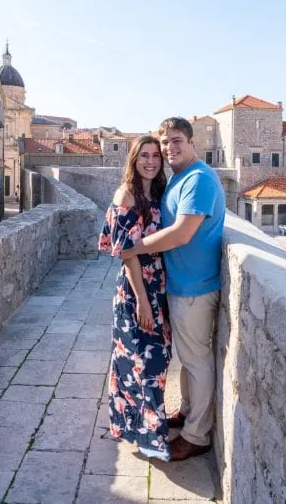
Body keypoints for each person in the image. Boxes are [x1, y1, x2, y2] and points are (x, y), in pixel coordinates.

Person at [120, 117, 225, 462]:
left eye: (176, 141)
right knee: (188, 359)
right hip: (179, 285)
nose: (169, 148)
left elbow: (181, 234)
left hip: (194, 288)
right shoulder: (179, 178)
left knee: (196, 361)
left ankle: (197, 435)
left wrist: (136, 247)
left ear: (192, 142)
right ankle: (186, 411)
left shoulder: (198, 180)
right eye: (165, 143)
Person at [98, 135, 172, 461]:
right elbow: (127, 254)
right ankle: (149, 437)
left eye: (156, 156)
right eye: (144, 155)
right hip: (135, 291)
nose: (151, 161)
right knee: (144, 362)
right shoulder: (125, 194)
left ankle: (136, 426)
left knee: (151, 362)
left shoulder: (156, 192)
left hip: (159, 288)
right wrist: (142, 300)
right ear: (134, 158)